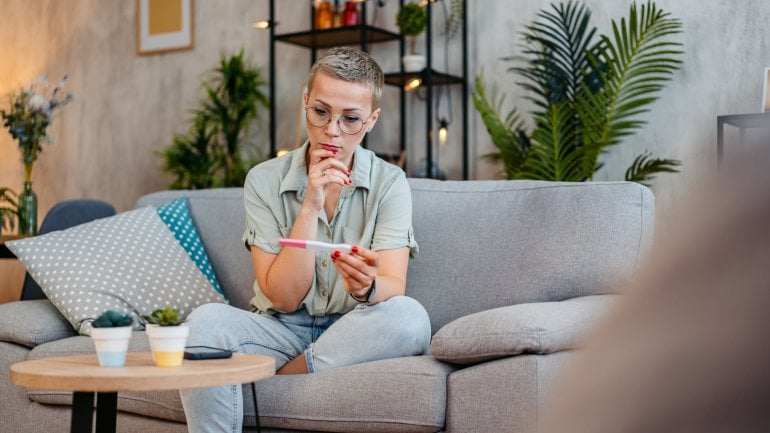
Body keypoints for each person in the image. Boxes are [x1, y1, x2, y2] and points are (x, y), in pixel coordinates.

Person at [179, 47, 432, 432]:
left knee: (410, 317)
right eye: (321, 112)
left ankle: (283, 379)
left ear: (372, 120)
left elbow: (393, 285)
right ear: (305, 102)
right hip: (280, 329)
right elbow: (282, 297)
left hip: (352, 330)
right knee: (205, 323)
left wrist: (367, 289)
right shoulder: (263, 180)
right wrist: (310, 206)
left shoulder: (390, 183)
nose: (332, 131)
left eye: (350, 119)